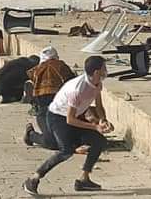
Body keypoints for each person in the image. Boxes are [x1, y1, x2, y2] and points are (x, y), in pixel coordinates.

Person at [23, 55, 113, 195]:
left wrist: (103, 120)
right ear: (96, 72)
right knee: (66, 151)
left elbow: (99, 106)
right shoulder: (77, 89)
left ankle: (84, 179)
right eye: (104, 68)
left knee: (99, 141)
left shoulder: (97, 83)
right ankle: (33, 179)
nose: (106, 71)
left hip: (73, 117)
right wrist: (95, 127)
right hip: (57, 117)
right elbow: (70, 120)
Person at [24, 47, 76, 150]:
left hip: (63, 112)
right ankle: (31, 135)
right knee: (53, 142)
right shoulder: (62, 67)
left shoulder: (35, 72)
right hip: (46, 112)